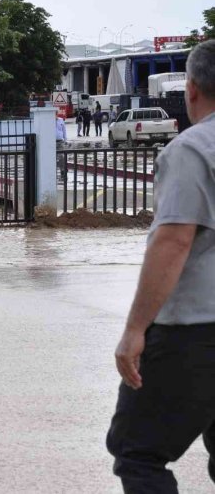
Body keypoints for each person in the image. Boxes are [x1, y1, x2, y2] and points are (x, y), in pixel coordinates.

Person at [107, 40, 215, 492]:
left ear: (191, 90)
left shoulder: (193, 149)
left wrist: (135, 331)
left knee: (138, 453)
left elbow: (173, 240)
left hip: (194, 332)